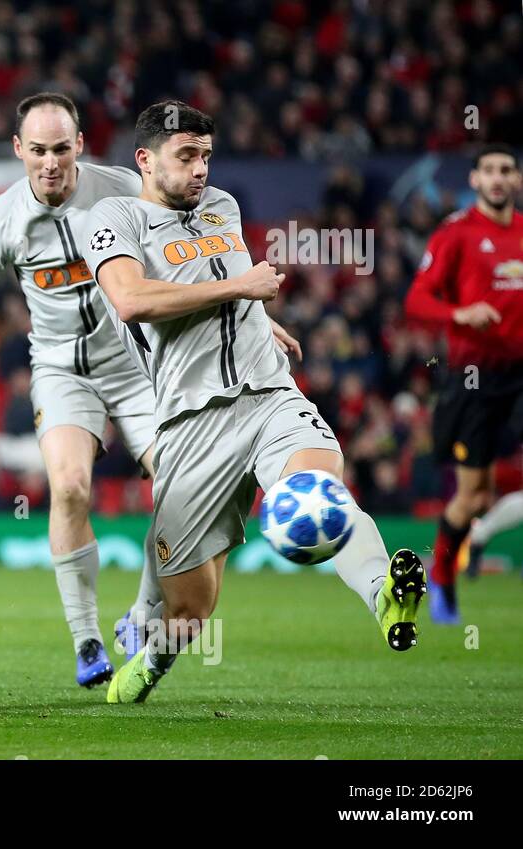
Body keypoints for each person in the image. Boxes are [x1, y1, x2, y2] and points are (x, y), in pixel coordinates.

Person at [0, 93, 304, 688]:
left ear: (79, 145)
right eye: (38, 152)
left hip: (137, 367)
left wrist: (255, 317)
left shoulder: (124, 188)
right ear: (19, 151)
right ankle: (86, 640)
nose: (50, 164)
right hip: (60, 370)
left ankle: (143, 611)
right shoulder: (0, 218)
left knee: (180, 482)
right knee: (71, 487)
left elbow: (195, 256)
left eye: (61, 149)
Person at [82, 100, 425, 704]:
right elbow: (132, 299)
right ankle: (150, 660)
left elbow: (216, 281)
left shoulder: (222, 207)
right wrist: (243, 289)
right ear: (144, 160)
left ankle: (384, 595)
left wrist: (255, 318)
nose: (199, 170)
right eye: (184, 157)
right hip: (191, 423)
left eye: (206, 156)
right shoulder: (113, 217)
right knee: (192, 607)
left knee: (320, 494)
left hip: (268, 395)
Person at [404, 144, 523, 620]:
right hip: (477, 381)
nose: (498, 178)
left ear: (516, 179)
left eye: (507, 170)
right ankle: (445, 576)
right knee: (473, 496)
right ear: (474, 180)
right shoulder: (457, 233)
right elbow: (416, 301)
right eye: (489, 170)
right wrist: (461, 313)